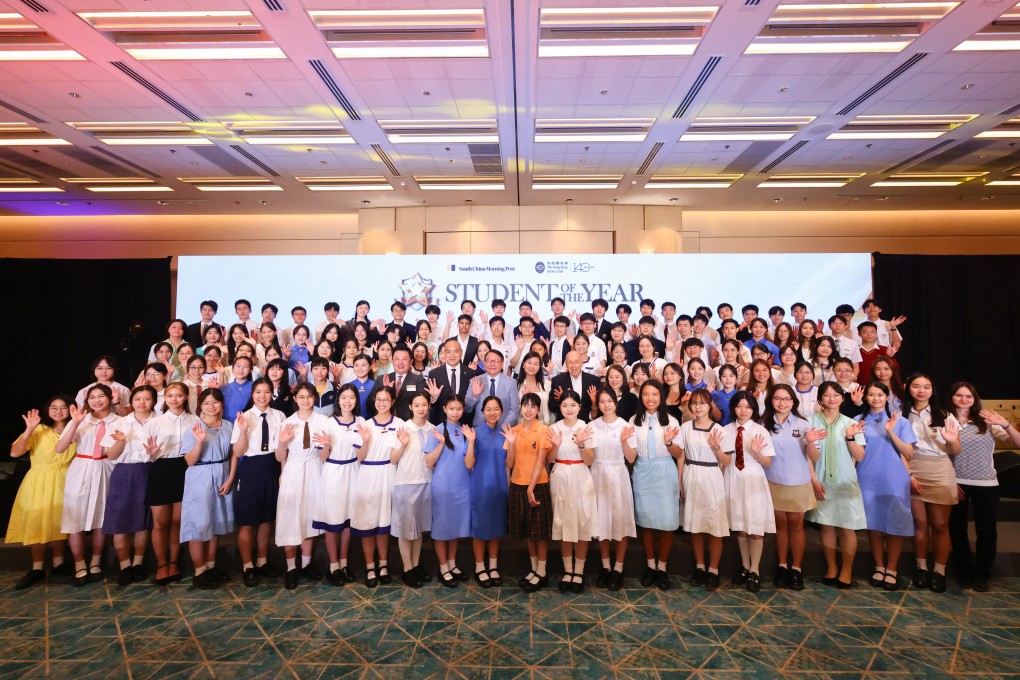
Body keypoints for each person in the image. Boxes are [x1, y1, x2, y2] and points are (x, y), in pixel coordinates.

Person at [947, 382, 1020, 592]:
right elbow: (942, 454)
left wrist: (1005, 424)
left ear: (974, 399)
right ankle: (964, 571)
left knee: (986, 530)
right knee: (957, 529)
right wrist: (951, 481)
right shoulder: (945, 420)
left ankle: (981, 574)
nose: (963, 399)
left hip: (986, 483)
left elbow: (1017, 442)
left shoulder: (987, 421)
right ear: (951, 397)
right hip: (956, 483)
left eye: (968, 396)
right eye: (959, 395)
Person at [6, 395, 76, 589]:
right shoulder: (39, 429)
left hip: (65, 480)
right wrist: (29, 429)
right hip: (39, 481)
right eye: (54, 407)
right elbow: (14, 452)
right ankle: (36, 568)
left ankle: (58, 563)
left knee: (59, 523)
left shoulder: (76, 429)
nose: (58, 411)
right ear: (47, 409)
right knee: (38, 523)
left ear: (71, 409)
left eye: (63, 407)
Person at [902, 373, 961, 593]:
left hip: (939, 468)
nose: (921, 390)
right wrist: (908, 474)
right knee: (919, 524)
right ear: (909, 389)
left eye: (926, 387)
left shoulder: (945, 415)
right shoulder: (901, 415)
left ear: (932, 390)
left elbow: (955, 451)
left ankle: (939, 571)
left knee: (939, 524)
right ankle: (921, 568)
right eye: (916, 386)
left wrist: (952, 441)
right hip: (912, 467)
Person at [856, 381, 917, 591]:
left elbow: (909, 453)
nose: (875, 398)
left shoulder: (899, 421)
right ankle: (879, 566)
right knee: (873, 525)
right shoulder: (859, 421)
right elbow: (856, 453)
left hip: (893, 477)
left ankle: (892, 569)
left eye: (879, 395)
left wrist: (891, 431)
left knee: (894, 525)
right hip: (866, 477)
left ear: (887, 396)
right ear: (866, 397)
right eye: (871, 394)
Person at [55, 384, 118, 586]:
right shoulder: (80, 420)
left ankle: (96, 562)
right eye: (92, 397)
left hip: (107, 468)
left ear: (109, 398)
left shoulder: (120, 421)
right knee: (76, 519)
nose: (97, 400)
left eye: (101, 396)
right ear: (86, 400)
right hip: (81, 468)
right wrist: (74, 423)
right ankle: (79, 564)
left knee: (101, 518)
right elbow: (60, 447)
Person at [807, 382, 867, 588]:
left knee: (847, 528)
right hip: (821, 482)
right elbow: (807, 456)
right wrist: (813, 479)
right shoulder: (811, 422)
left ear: (843, 398)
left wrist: (850, 436)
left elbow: (860, 455)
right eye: (827, 395)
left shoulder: (851, 423)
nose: (831, 398)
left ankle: (847, 569)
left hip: (845, 482)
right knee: (826, 527)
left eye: (836, 395)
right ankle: (831, 567)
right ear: (820, 399)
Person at [623, 380, 681, 590]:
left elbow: (679, 453)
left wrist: (668, 442)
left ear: (661, 397)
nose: (650, 398)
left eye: (654, 394)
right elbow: (631, 457)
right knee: (646, 521)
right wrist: (623, 443)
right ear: (641, 397)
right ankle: (650, 565)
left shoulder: (671, 420)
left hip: (665, 471)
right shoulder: (633, 420)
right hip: (642, 472)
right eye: (646, 394)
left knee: (667, 521)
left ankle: (662, 567)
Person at [760, 385, 820, 591]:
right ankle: (782, 565)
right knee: (780, 524)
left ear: (793, 402)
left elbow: (814, 457)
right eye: (777, 399)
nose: (782, 403)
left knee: (796, 524)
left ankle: (797, 568)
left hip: (798, 481)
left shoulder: (804, 425)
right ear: (771, 401)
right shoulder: (763, 424)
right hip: (772, 480)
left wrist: (811, 443)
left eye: (786, 399)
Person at [143, 382, 200, 586]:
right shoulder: (155, 422)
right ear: (164, 398)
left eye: (178, 395)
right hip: (160, 468)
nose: (174, 399)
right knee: (160, 522)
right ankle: (161, 564)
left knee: (178, 521)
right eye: (170, 395)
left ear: (186, 397)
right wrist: (151, 453)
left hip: (186, 469)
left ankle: (174, 562)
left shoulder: (195, 420)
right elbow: (145, 452)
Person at [230, 377, 285, 587]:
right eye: (258, 392)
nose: (263, 396)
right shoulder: (243, 417)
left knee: (266, 519)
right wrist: (243, 430)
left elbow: (282, 448)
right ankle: (248, 565)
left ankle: (262, 561)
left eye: (267, 392)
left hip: (271, 466)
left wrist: (282, 472)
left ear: (272, 394)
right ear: (252, 395)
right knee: (248, 520)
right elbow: (238, 451)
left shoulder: (279, 415)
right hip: (251, 468)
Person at [180, 388, 237, 590]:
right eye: (206, 403)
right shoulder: (194, 427)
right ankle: (199, 570)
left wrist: (230, 478)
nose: (211, 407)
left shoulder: (229, 426)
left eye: (215, 402)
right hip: (200, 475)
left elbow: (233, 455)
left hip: (222, 473)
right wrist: (199, 442)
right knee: (199, 522)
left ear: (222, 404)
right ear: (200, 405)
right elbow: (189, 460)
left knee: (216, 522)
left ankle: (211, 566)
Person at [101, 385, 157, 586]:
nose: (142, 402)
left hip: (150, 472)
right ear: (131, 401)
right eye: (138, 399)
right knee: (120, 521)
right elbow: (111, 455)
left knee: (144, 521)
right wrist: (122, 442)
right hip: (123, 472)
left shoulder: (159, 422)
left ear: (154, 401)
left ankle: (138, 563)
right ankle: (124, 565)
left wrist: (153, 453)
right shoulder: (120, 423)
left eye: (147, 398)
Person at [720, 391, 775, 592]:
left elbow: (768, 462)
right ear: (733, 408)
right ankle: (744, 566)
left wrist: (757, 452)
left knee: (755, 528)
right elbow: (725, 461)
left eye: (747, 407)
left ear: (753, 409)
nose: (743, 411)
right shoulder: (726, 430)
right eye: (739, 406)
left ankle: (755, 570)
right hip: (733, 479)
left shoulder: (761, 431)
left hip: (754, 479)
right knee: (740, 527)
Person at [275, 383, 328, 590]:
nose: (305, 400)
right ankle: (291, 568)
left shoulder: (324, 421)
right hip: (293, 470)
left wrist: (326, 445)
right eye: (301, 397)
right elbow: (280, 456)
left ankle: (306, 564)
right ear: (295, 399)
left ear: (315, 399)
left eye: (309, 397)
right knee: (290, 518)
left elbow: (325, 456)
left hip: (315, 469)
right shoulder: (287, 423)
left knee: (309, 518)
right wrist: (282, 442)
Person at [351, 387, 404, 587]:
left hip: (389, 473)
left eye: (386, 400)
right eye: (379, 400)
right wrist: (365, 441)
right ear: (374, 402)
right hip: (368, 474)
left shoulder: (399, 424)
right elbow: (360, 456)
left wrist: (403, 445)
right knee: (368, 524)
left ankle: (383, 565)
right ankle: (370, 566)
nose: (382, 403)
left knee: (383, 525)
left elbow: (395, 457)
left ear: (392, 402)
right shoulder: (365, 425)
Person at [676, 388, 729, 591]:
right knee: (695, 524)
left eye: (702, 403)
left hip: (712, 476)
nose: (698, 407)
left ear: (710, 406)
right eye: (695, 403)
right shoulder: (686, 427)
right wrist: (680, 480)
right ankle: (700, 566)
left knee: (714, 526)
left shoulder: (719, 430)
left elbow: (727, 461)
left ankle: (713, 569)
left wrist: (716, 448)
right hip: (691, 474)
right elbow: (681, 456)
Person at [316, 384, 368, 587]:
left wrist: (365, 441)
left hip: (354, 471)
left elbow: (361, 457)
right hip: (333, 473)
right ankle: (333, 565)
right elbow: (322, 457)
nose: (347, 401)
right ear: (338, 400)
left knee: (348, 521)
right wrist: (327, 444)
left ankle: (344, 563)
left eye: (352, 398)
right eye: (344, 397)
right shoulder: (329, 423)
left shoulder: (361, 422)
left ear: (356, 401)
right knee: (333, 521)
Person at [547, 390, 598, 594]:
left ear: (579, 407)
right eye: (565, 405)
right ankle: (567, 571)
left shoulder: (586, 427)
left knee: (582, 523)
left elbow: (590, 460)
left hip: (580, 474)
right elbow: (549, 459)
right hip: (559, 474)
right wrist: (556, 445)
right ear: (560, 408)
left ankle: (579, 571)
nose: (569, 409)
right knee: (562, 522)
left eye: (573, 405)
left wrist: (582, 444)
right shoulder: (553, 428)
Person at [503, 393, 553, 593]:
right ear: (521, 408)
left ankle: (542, 572)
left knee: (539, 534)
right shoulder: (513, 431)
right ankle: (533, 570)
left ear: (539, 410)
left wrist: (531, 489)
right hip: (517, 484)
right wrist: (512, 443)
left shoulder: (543, 430)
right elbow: (509, 463)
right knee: (527, 532)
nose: (529, 409)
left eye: (533, 406)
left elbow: (542, 461)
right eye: (525, 405)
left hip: (538, 485)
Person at [425, 395, 474, 588]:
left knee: (455, 528)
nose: (455, 412)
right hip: (443, 486)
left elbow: (470, 463)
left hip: (462, 486)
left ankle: (453, 564)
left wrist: (471, 442)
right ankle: (443, 567)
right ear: (444, 409)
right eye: (451, 408)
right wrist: (441, 443)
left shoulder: (466, 431)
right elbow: (429, 462)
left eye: (459, 409)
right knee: (441, 528)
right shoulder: (436, 430)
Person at [390, 393, 434, 588]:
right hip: (406, 483)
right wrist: (403, 444)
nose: (421, 408)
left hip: (427, 482)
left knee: (419, 530)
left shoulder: (433, 429)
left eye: (424, 404)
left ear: (429, 406)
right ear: (410, 407)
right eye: (417, 405)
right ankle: (407, 569)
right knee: (406, 530)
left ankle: (416, 565)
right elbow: (393, 458)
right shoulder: (403, 428)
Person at [469, 396, 509, 588]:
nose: (492, 413)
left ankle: (493, 566)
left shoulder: (506, 433)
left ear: (501, 412)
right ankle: (480, 567)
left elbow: (509, 463)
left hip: (500, 485)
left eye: (496, 409)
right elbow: (469, 463)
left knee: (495, 529)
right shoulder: (475, 433)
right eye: (488, 409)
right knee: (480, 529)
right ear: (482, 411)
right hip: (480, 487)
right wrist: (470, 443)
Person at [367, 347, 428, 420]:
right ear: (392, 361)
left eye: (404, 359)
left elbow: (423, 402)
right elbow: (370, 402)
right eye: (397, 359)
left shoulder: (419, 380)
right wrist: (385, 391)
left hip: (409, 423)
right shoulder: (382, 379)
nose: (400, 363)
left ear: (411, 361)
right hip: (385, 422)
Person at [465, 350, 519, 428]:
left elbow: (514, 411)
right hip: (479, 429)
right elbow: (467, 408)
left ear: (502, 364)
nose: (492, 364)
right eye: (489, 361)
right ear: (484, 363)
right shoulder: (475, 381)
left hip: (503, 430)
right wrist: (474, 396)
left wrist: (502, 428)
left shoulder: (511, 383)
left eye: (496, 361)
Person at [427, 339, 472, 424]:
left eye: (456, 351)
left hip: (464, 424)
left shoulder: (471, 373)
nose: (452, 355)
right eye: (448, 352)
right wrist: (433, 398)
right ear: (444, 353)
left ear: (461, 352)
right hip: (439, 423)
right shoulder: (434, 373)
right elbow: (429, 404)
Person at [550, 352, 600, 422]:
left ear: (581, 363)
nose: (573, 366)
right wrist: (561, 400)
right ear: (566, 364)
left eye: (576, 362)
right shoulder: (557, 381)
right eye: (570, 362)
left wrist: (594, 402)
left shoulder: (594, 380)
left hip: (587, 425)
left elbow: (599, 408)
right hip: (565, 425)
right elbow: (552, 407)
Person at [517, 351, 553, 425]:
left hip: (545, 426)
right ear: (523, 364)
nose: (532, 366)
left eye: (536, 364)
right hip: (523, 426)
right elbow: (514, 410)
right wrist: (526, 399)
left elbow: (552, 408)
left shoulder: (547, 384)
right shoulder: (516, 385)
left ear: (539, 367)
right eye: (529, 363)